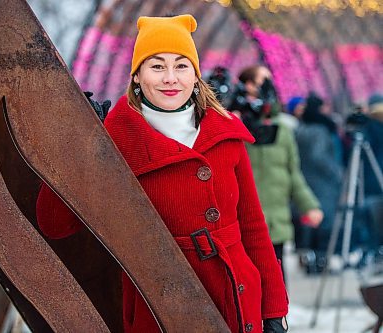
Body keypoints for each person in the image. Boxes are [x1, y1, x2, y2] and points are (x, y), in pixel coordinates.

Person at [37, 15, 288, 333]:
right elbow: (54, 224)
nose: (171, 78)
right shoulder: (114, 137)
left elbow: (253, 227)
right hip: (159, 307)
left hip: (237, 302)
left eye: (181, 66)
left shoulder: (225, 134)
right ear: (137, 76)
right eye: (156, 66)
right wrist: (80, 145)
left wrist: (274, 311)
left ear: (195, 76)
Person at [235, 66, 324, 281]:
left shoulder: (282, 130)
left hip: (276, 221)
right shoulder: (233, 125)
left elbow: (293, 173)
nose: (266, 88)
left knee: (275, 282)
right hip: (242, 221)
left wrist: (309, 205)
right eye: (260, 82)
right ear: (245, 86)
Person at [295, 93, 343, 274]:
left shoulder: (301, 128)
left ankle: (311, 260)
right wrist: (337, 173)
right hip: (323, 184)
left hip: (306, 180)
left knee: (309, 221)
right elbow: (319, 156)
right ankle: (321, 261)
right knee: (324, 221)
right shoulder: (320, 130)